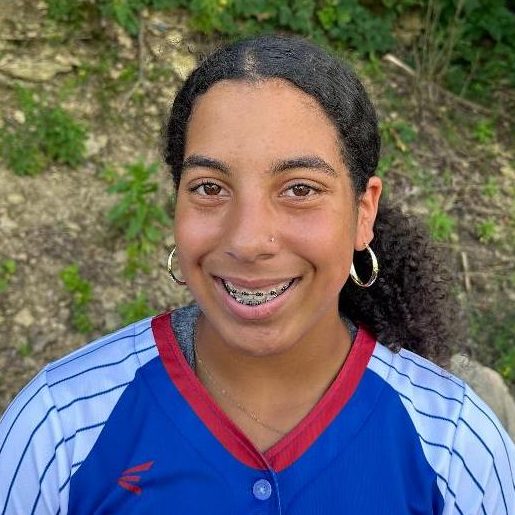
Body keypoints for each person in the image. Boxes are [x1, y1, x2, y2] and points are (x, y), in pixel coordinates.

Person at [0, 34, 513, 514]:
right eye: (209, 188)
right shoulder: (60, 429)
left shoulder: (455, 446)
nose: (247, 240)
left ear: (363, 213)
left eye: (300, 189)